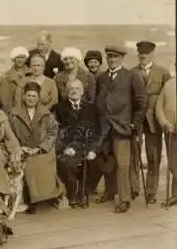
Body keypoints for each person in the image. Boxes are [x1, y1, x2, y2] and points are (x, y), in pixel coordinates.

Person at [95, 45, 147, 213]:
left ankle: (124, 199)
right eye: (109, 56)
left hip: (123, 128)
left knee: (123, 164)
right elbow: (99, 99)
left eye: (115, 57)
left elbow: (142, 102)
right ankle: (110, 193)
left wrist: (134, 123)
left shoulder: (132, 76)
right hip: (105, 128)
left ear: (122, 58)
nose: (111, 59)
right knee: (107, 161)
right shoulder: (102, 78)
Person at [9, 82, 62, 214]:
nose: (31, 99)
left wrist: (40, 147)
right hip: (21, 148)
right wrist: (20, 147)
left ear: (38, 98)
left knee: (42, 163)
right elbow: (8, 133)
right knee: (26, 163)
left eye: (34, 96)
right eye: (28, 96)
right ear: (23, 96)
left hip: (41, 149)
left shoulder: (46, 113)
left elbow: (52, 133)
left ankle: (43, 196)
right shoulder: (14, 113)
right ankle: (30, 199)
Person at [129, 41, 171, 203]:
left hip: (154, 119)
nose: (143, 57)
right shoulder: (131, 72)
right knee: (134, 154)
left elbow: (169, 96)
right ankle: (134, 188)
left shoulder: (163, 72)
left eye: (146, 54)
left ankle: (151, 191)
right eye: (140, 54)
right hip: (137, 119)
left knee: (153, 156)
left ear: (152, 54)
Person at [53, 79, 101, 208]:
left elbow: (96, 132)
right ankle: (72, 192)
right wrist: (64, 148)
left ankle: (84, 192)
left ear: (82, 91)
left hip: (86, 146)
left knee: (97, 162)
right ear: (66, 92)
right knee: (67, 162)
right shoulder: (58, 108)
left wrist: (93, 150)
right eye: (71, 89)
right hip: (67, 147)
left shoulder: (92, 108)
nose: (74, 91)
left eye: (77, 89)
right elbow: (53, 133)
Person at [156, 76, 177, 206]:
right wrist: (164, 122)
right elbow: (159, 107)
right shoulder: (169, 84)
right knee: (174, 163)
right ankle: (175, 195)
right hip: (171, 130)